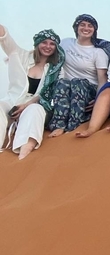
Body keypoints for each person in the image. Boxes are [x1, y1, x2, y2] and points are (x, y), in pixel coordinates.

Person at [0, 25, 65, 159]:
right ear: (37, 43)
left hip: (36, 104)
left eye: (52, 44)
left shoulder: (56, 70)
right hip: (13, 100)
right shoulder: (20, 55)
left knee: (34, 110)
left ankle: (24, 154)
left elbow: (47, 95)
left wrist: (25, 106)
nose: (48, 46)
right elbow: (5, 38)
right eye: (44, 42)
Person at [48, 14, 109, 137]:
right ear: (76, 27)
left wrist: (98, 99)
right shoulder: (65, 43)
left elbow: (102, 80)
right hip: (67, 89)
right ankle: (58, 126)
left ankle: (74, 125)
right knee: (62, 82)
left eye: (90, 26)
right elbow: (47, 52)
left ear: (94, 30)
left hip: (88, 90)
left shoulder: (98, 53)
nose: (86, 28)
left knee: (78, 82)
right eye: (82, 25)